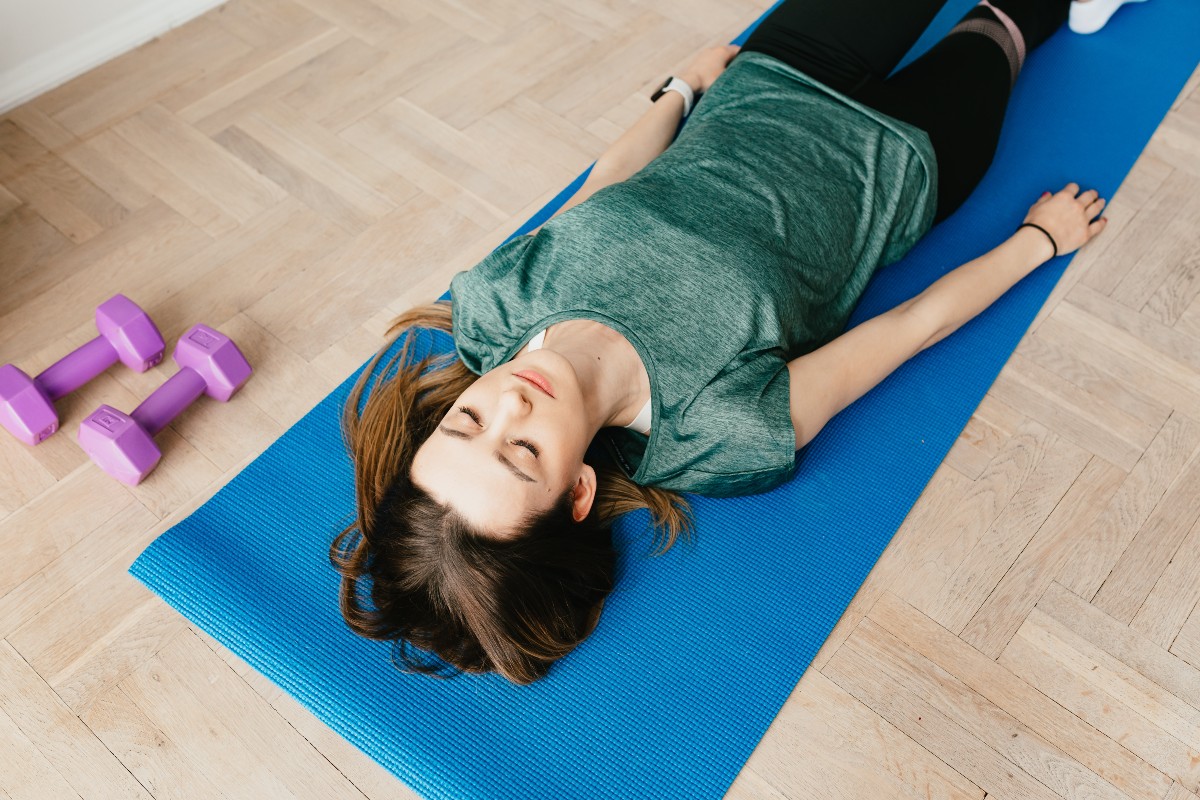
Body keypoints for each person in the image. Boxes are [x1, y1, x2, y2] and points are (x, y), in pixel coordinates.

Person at [331, 0, 1121, 684]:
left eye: (465, 422)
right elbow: (908, 329)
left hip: (774, 76)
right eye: (522, 452)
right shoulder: (718, 430)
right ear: (577, 493)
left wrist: (679, 89)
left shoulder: (494, 305)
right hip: (904, 155)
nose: (508, 403)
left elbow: (604, 184)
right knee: (1009, 19)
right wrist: (1039, 243)